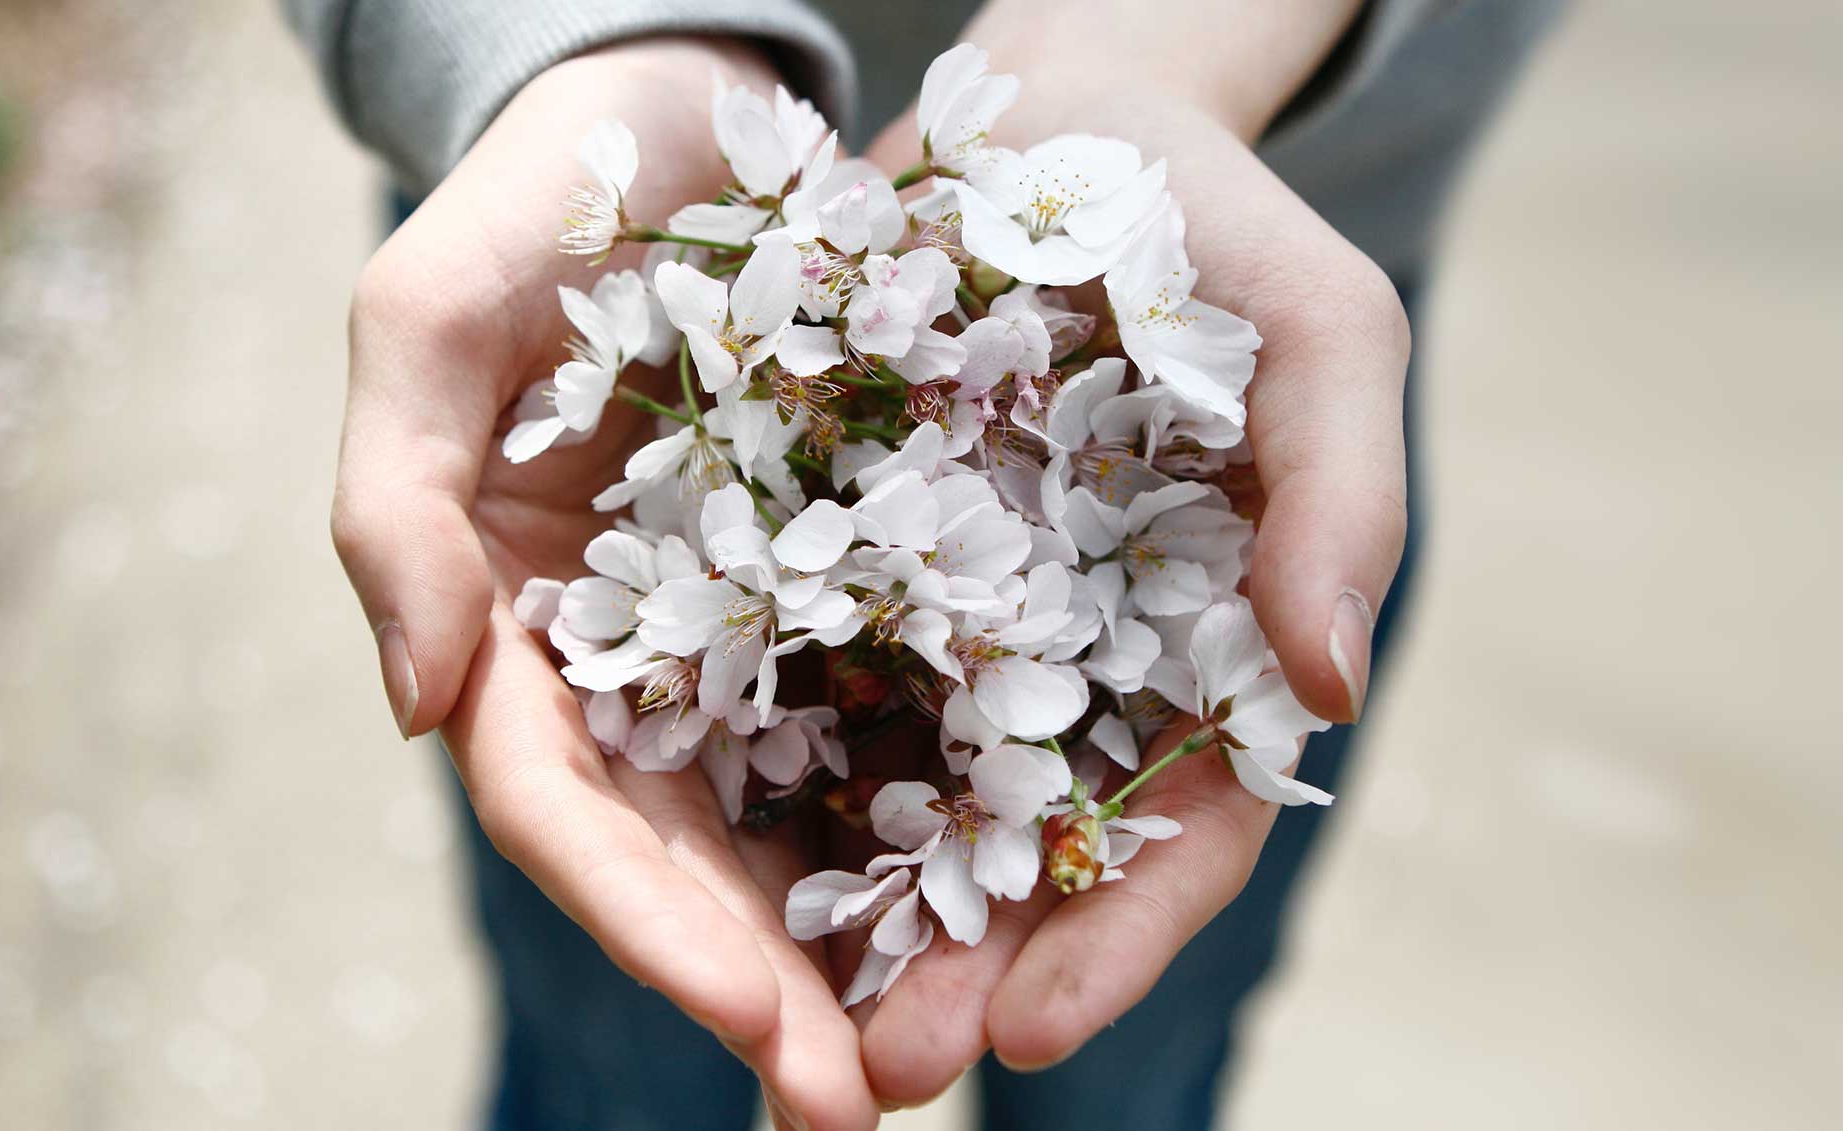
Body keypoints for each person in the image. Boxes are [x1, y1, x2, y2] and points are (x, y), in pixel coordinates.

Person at [285, 2, 1558, 1128]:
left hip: (1261, 218)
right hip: (577, 147)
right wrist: (560, 48)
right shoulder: (709, 359)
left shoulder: (1111, 377)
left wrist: (1153, 43)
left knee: (1126, 1079)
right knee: (613, 1071)